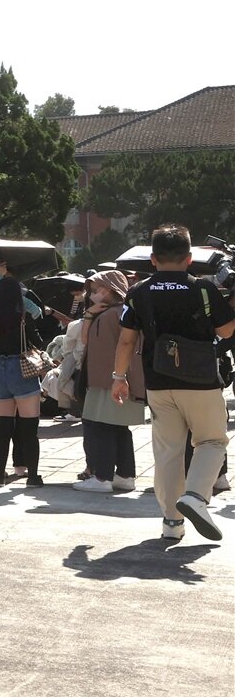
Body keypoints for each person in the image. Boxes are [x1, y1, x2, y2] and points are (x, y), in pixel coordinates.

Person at [114, 223, 235, 542]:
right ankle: (195, 496)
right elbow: (226, 332)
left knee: (168, 452)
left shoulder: (138, 291)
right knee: (210, 441)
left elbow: (126, 341)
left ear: (153, 259)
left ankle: (171, 523)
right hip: (201, 381)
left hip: (158, 382)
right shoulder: (204, 289)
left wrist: (119, 378)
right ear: (189, 257)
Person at [73, 270, 145, 494]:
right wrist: (89, 314)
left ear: (110, 289)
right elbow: (86, 340)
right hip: (111, 378)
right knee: (116, 428)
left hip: (110, 379)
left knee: (100, 428)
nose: (93, 294)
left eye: (97, 290)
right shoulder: (115, 312)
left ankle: (102, 476)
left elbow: (124, 346)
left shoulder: (116, 314)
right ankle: (124, 475)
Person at [0, 264, 45, 486]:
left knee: (1, 426)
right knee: (28, 426)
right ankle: (33, 476)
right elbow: (38, 343)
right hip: (21, 368)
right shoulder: (22, 317)